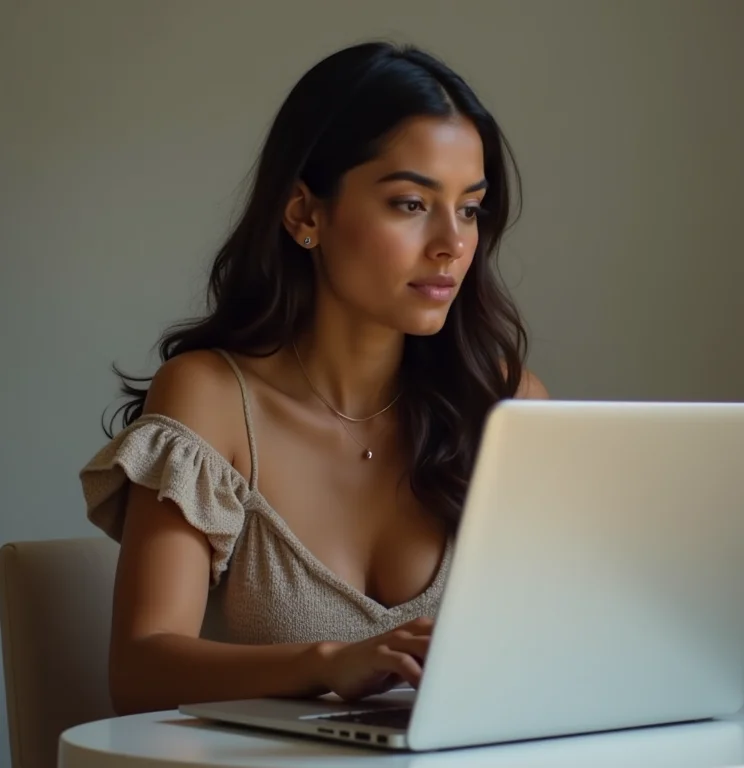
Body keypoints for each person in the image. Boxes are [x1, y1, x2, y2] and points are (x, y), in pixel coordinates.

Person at [80, 41, 547, 716]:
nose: (452, 242)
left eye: (469, 208)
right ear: (305, 214)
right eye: (412, 204)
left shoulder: (504, 405)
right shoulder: (211, 398)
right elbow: (141, 670)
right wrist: (329, 663)